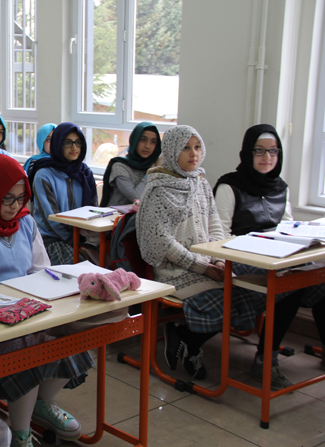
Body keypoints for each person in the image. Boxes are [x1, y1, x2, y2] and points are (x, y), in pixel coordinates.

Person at [0, 153, 91, 446]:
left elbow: (40, 270)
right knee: (27, 354)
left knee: (77, 342)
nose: (14, 207)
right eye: (6, 198)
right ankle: (21, 434)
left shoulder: (25, 223)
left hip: (26, 313)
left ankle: (41, 405)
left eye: (21, 199)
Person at [136, 125, 268, 381]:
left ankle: (186, 337)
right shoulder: (157, 190)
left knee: (249, 296)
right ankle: (189, 339)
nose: (193, 153)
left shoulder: (200, 182)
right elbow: (163, 243)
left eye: (197, 147)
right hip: (176, 272)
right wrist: (203, 266)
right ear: (172, 151)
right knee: (225, 305)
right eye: (186, 147)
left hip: (210, 264)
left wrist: (218, 257)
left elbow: (214, 222)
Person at [213, 124, 325, 385]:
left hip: (277, 257)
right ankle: (266, 359)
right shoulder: (230, 185)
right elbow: (219, 235)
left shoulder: (280, 187)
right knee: (291, 283)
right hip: (241, 261)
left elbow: (287, 227)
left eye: (273, 151)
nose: (267, 158)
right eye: (260, 151)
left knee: (319, 276)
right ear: (247, 153)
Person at [28, 122, 97, 265]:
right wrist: (74, 241)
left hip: (82, 238)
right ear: (58, 144)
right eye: (68, 143)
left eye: (78, 142)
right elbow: (51, 218)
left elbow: (92, 209)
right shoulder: (44, 175)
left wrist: (84, 239)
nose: (74, 147)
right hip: (52, 239)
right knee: (80, 273)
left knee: (109, 264)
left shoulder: (85, 173)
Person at [100, 121, 161, 206]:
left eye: (153, 142)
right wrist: (151, 172)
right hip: (117, 218)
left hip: (143, 217)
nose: (147, 146)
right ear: (135, 140)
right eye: (143, 140)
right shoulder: (120, 166)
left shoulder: (157, 166)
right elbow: (136, 197)